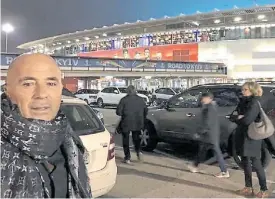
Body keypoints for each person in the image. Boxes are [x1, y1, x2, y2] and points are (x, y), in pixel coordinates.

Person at [1, 53, 92, 198]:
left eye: (51, 83)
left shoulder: (71, 142)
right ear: (7, 91)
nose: (42, 94)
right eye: (28, 84)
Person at [231, 82, 268, 198]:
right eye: (242, 89)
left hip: (252, 137)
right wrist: (239, 117)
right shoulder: (243, 101)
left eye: (245, 89)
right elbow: (232, 115)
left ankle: (264, 189)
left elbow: (247, 120)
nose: (243, 92)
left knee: (256, 163)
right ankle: (248, 187)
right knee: (245, 162)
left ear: (252, 90)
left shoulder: (254, 102)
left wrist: (239, 117)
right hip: (243, 135)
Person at [188, 92, 230, 178]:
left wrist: (199, 132)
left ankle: (224, 171)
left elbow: (207, 123)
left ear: (209, 98)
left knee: (216, 152)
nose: (202, 100)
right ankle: (195, 165)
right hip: (210, 134)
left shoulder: (210, 108)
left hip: (210, 134)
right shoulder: (211, 106)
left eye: (204, 98)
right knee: (203, 149)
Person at [116, 85, 148, 164]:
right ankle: (138, 152)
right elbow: (146, 111)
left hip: (126, 122)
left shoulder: (123, 100)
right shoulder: (141, 100)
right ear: (135, 91)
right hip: (138, 122)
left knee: (126, 139)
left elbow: (118, 112)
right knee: (136, 138)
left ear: (127, 91)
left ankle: (127, 158)